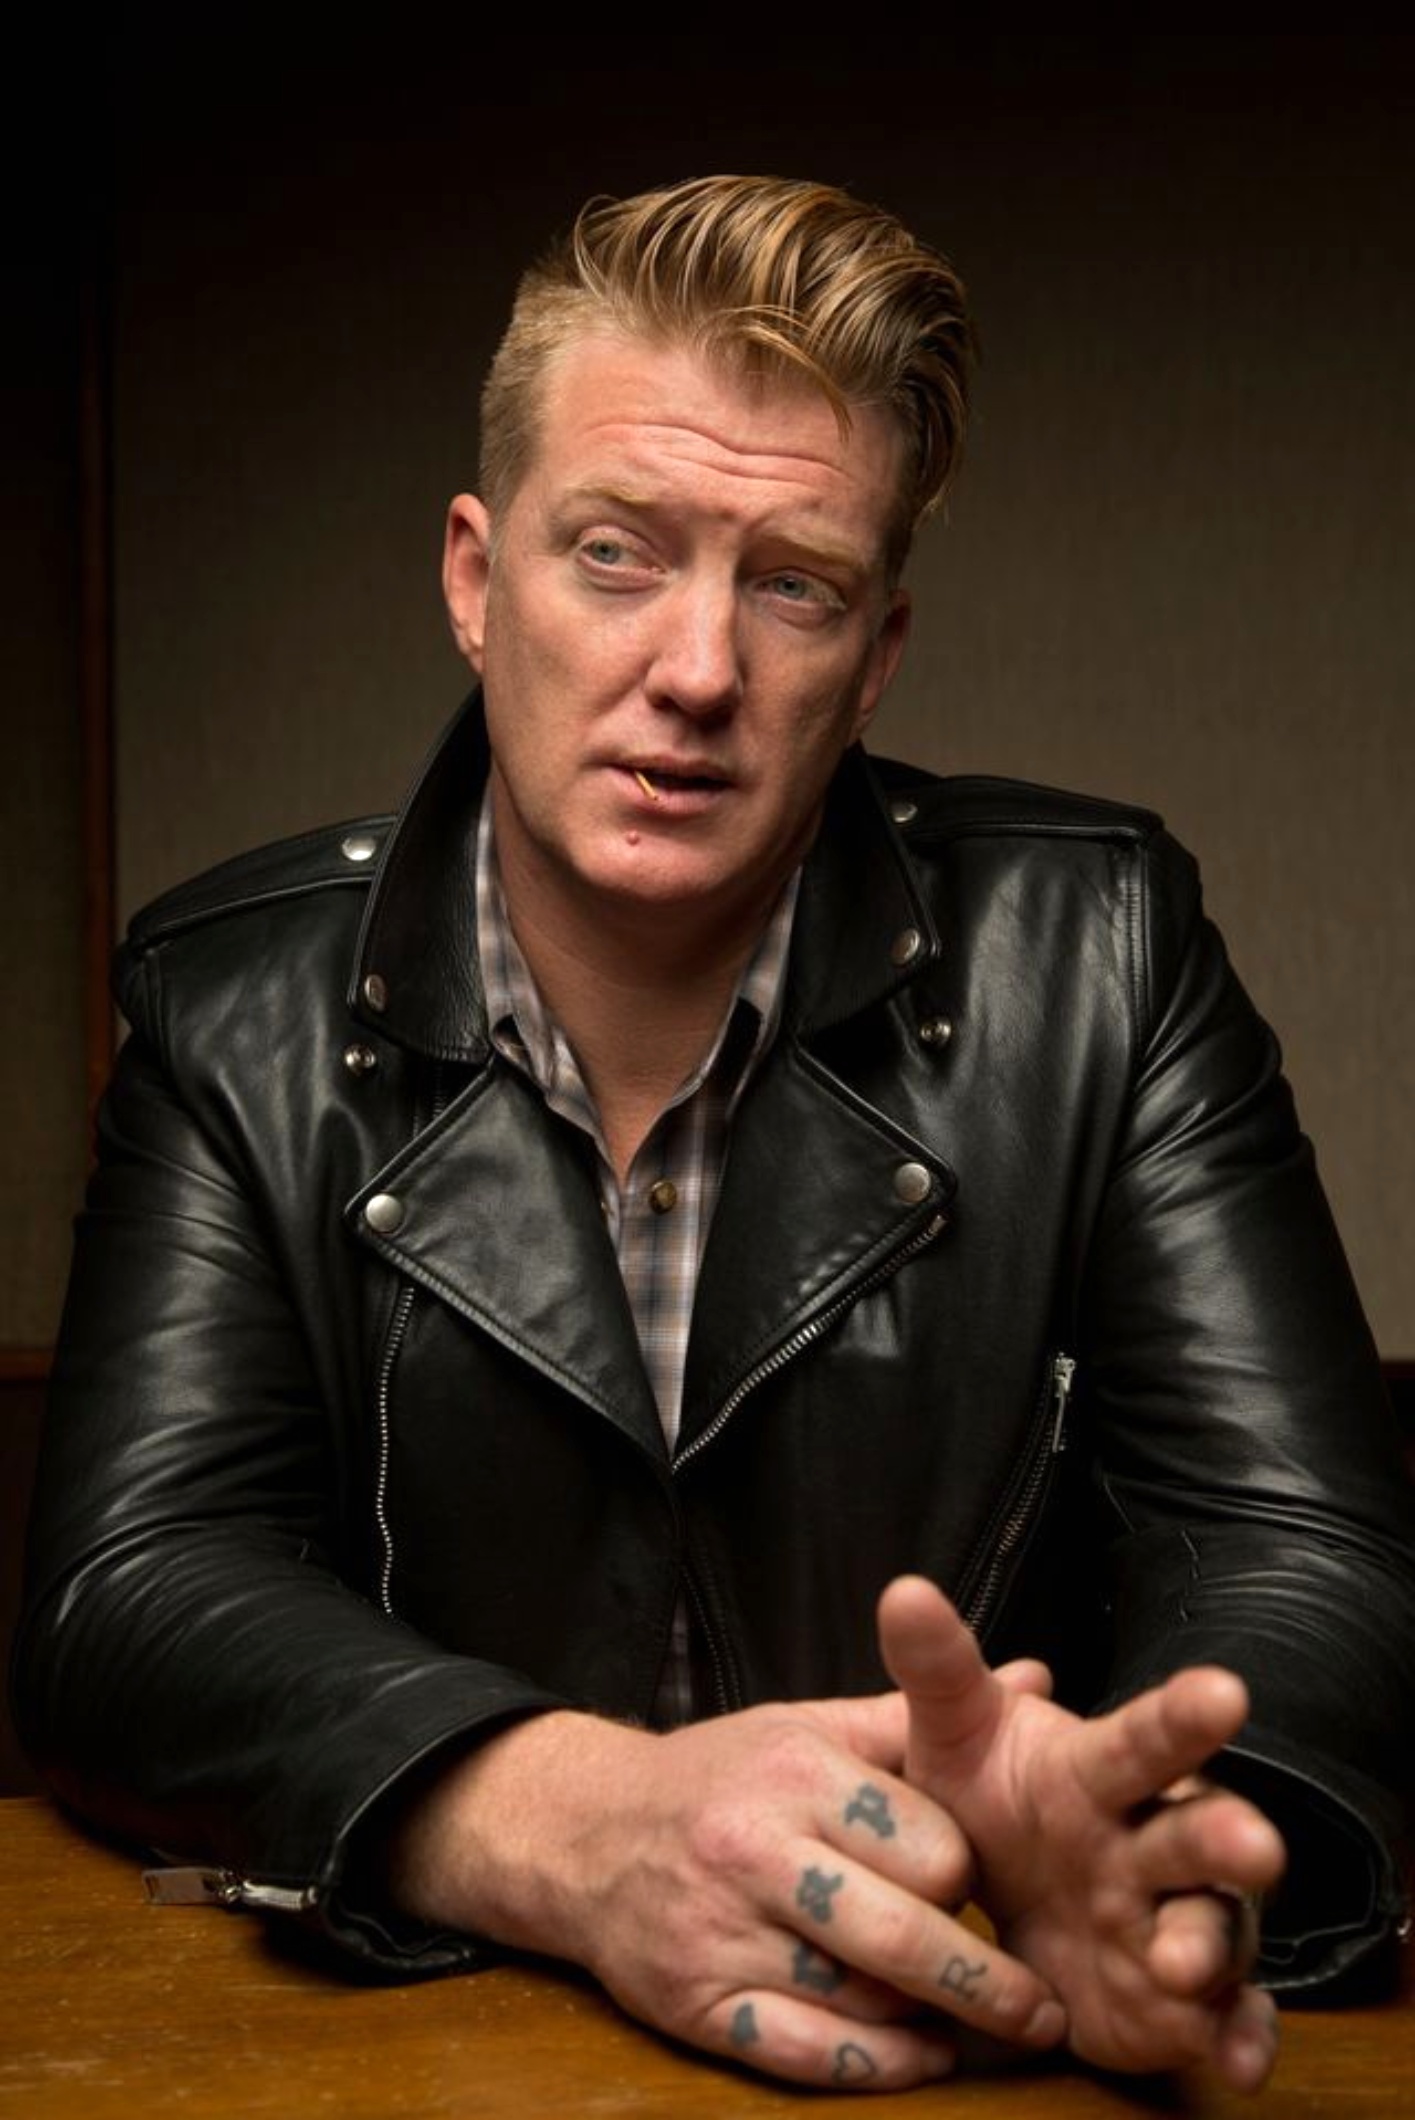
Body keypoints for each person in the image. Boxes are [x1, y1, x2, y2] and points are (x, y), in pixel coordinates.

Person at [13, 173, 1414, 2097]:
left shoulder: (1099, 953)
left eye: (791, 584)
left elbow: (1306, 1551)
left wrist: (1140, 1836)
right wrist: (580, 1827)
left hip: (971, 2034)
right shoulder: (229, 1004)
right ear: (471, 579)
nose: (695, 669)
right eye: (615, 553)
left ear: (878, 652)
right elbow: (130, 1591)